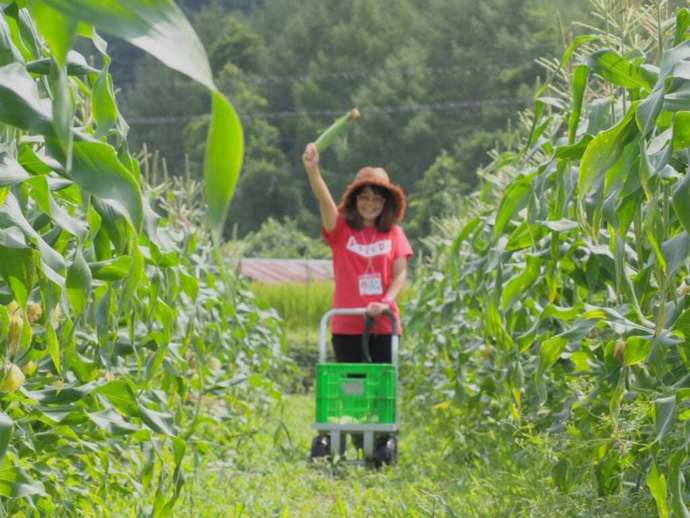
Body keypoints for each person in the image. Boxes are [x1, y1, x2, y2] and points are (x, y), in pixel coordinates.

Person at [301, 142, 413, 364]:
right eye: (364, 197)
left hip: (383, 324)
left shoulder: (394, 233)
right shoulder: (340, 229)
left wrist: (385, 302)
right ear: (355, 199)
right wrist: (313, 171)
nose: (370, 204)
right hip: (347, 324)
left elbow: (400, 274)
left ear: (385, 203)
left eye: (377, 199)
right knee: (353, 390)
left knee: (380, 391)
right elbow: (325, 201)